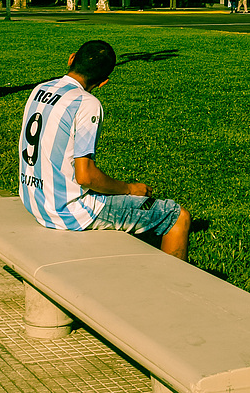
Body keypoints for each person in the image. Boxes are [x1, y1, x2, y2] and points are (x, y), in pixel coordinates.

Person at [18, 40, 191, 261]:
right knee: (176, 216)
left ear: (71, 58)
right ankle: (176, 290)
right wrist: (129, 188)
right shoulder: (86, 103)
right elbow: (86, 176)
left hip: (35, 201)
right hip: (67, 211)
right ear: (103, 82)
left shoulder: (39, 89)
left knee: (140, 211)